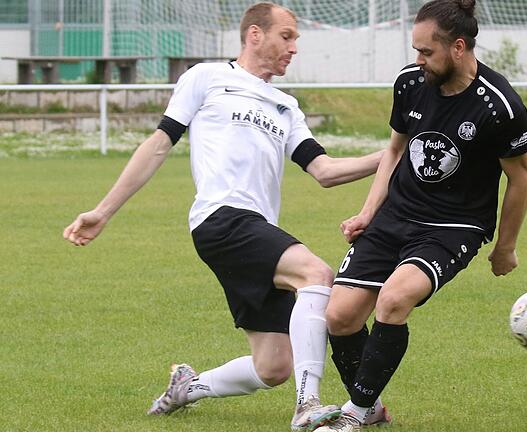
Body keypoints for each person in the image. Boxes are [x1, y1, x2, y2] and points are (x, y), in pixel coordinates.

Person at [62, 3, 383, 430]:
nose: (294, 48)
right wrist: (103, 211)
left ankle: (186, 387)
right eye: (286, 36)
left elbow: (324, 171)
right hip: (221, 219)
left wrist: (391, 155)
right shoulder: (206, 77)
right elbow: (159, 144)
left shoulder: (286, 104)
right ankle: (308, 404)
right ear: (254, 34)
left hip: (256, 230)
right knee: (316, 275)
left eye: (295, 39)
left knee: (272, 366)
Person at [314, 0, 527, 431]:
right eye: (414, 50)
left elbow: (521, 178)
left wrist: (505, 247)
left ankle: (353, 415)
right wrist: (366, 212)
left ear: (457, 47)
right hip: (396, 213)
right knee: (339, 316)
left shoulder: (499, 105)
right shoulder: (410, 83)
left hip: (454, 226)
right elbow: (395, 149)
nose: (418, 60)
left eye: (425, 52)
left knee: (394, 299)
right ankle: (371, 407)